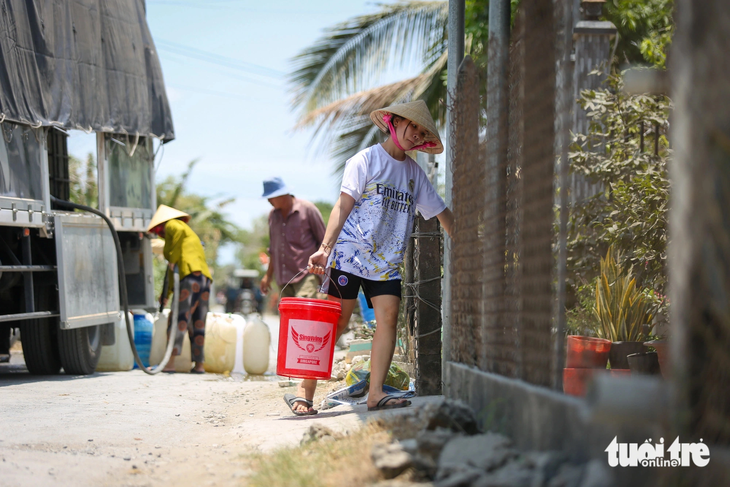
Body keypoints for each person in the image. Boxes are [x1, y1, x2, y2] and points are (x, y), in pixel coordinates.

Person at [295, 100, 454, 415]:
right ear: (393, 122)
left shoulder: (414, 174)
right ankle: (305, 391)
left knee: (388, 321)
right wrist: (324, 249)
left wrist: (467, 242)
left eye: (422, 132)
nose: (416, 134)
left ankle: (375, 393)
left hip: (385, 266)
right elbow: (342, 206)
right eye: (412, 126)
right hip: (349, 256)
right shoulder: (365, 160)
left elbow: (440, 213)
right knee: (334, 321)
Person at [147, 205, 212, 374]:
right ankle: (199, 365)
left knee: (178, 319)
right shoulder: (188, 236)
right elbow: (172, 274)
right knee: (198, 322)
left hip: (189, 279)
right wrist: (165, 295)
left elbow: (172, 262)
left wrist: (170, 256)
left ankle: (170, 363)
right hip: (203, 279)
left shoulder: (173, 225)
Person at [260, 177, 326, 299]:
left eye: (272, 196)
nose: (269, 200)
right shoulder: (273, 216)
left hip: (305, 274)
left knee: (301, 312)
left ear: (283, 194)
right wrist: (268, 276)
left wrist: (325, 275)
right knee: (287, 315)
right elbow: (274, 250)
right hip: (283, 278)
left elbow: (324, 242)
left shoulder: (307, 209)